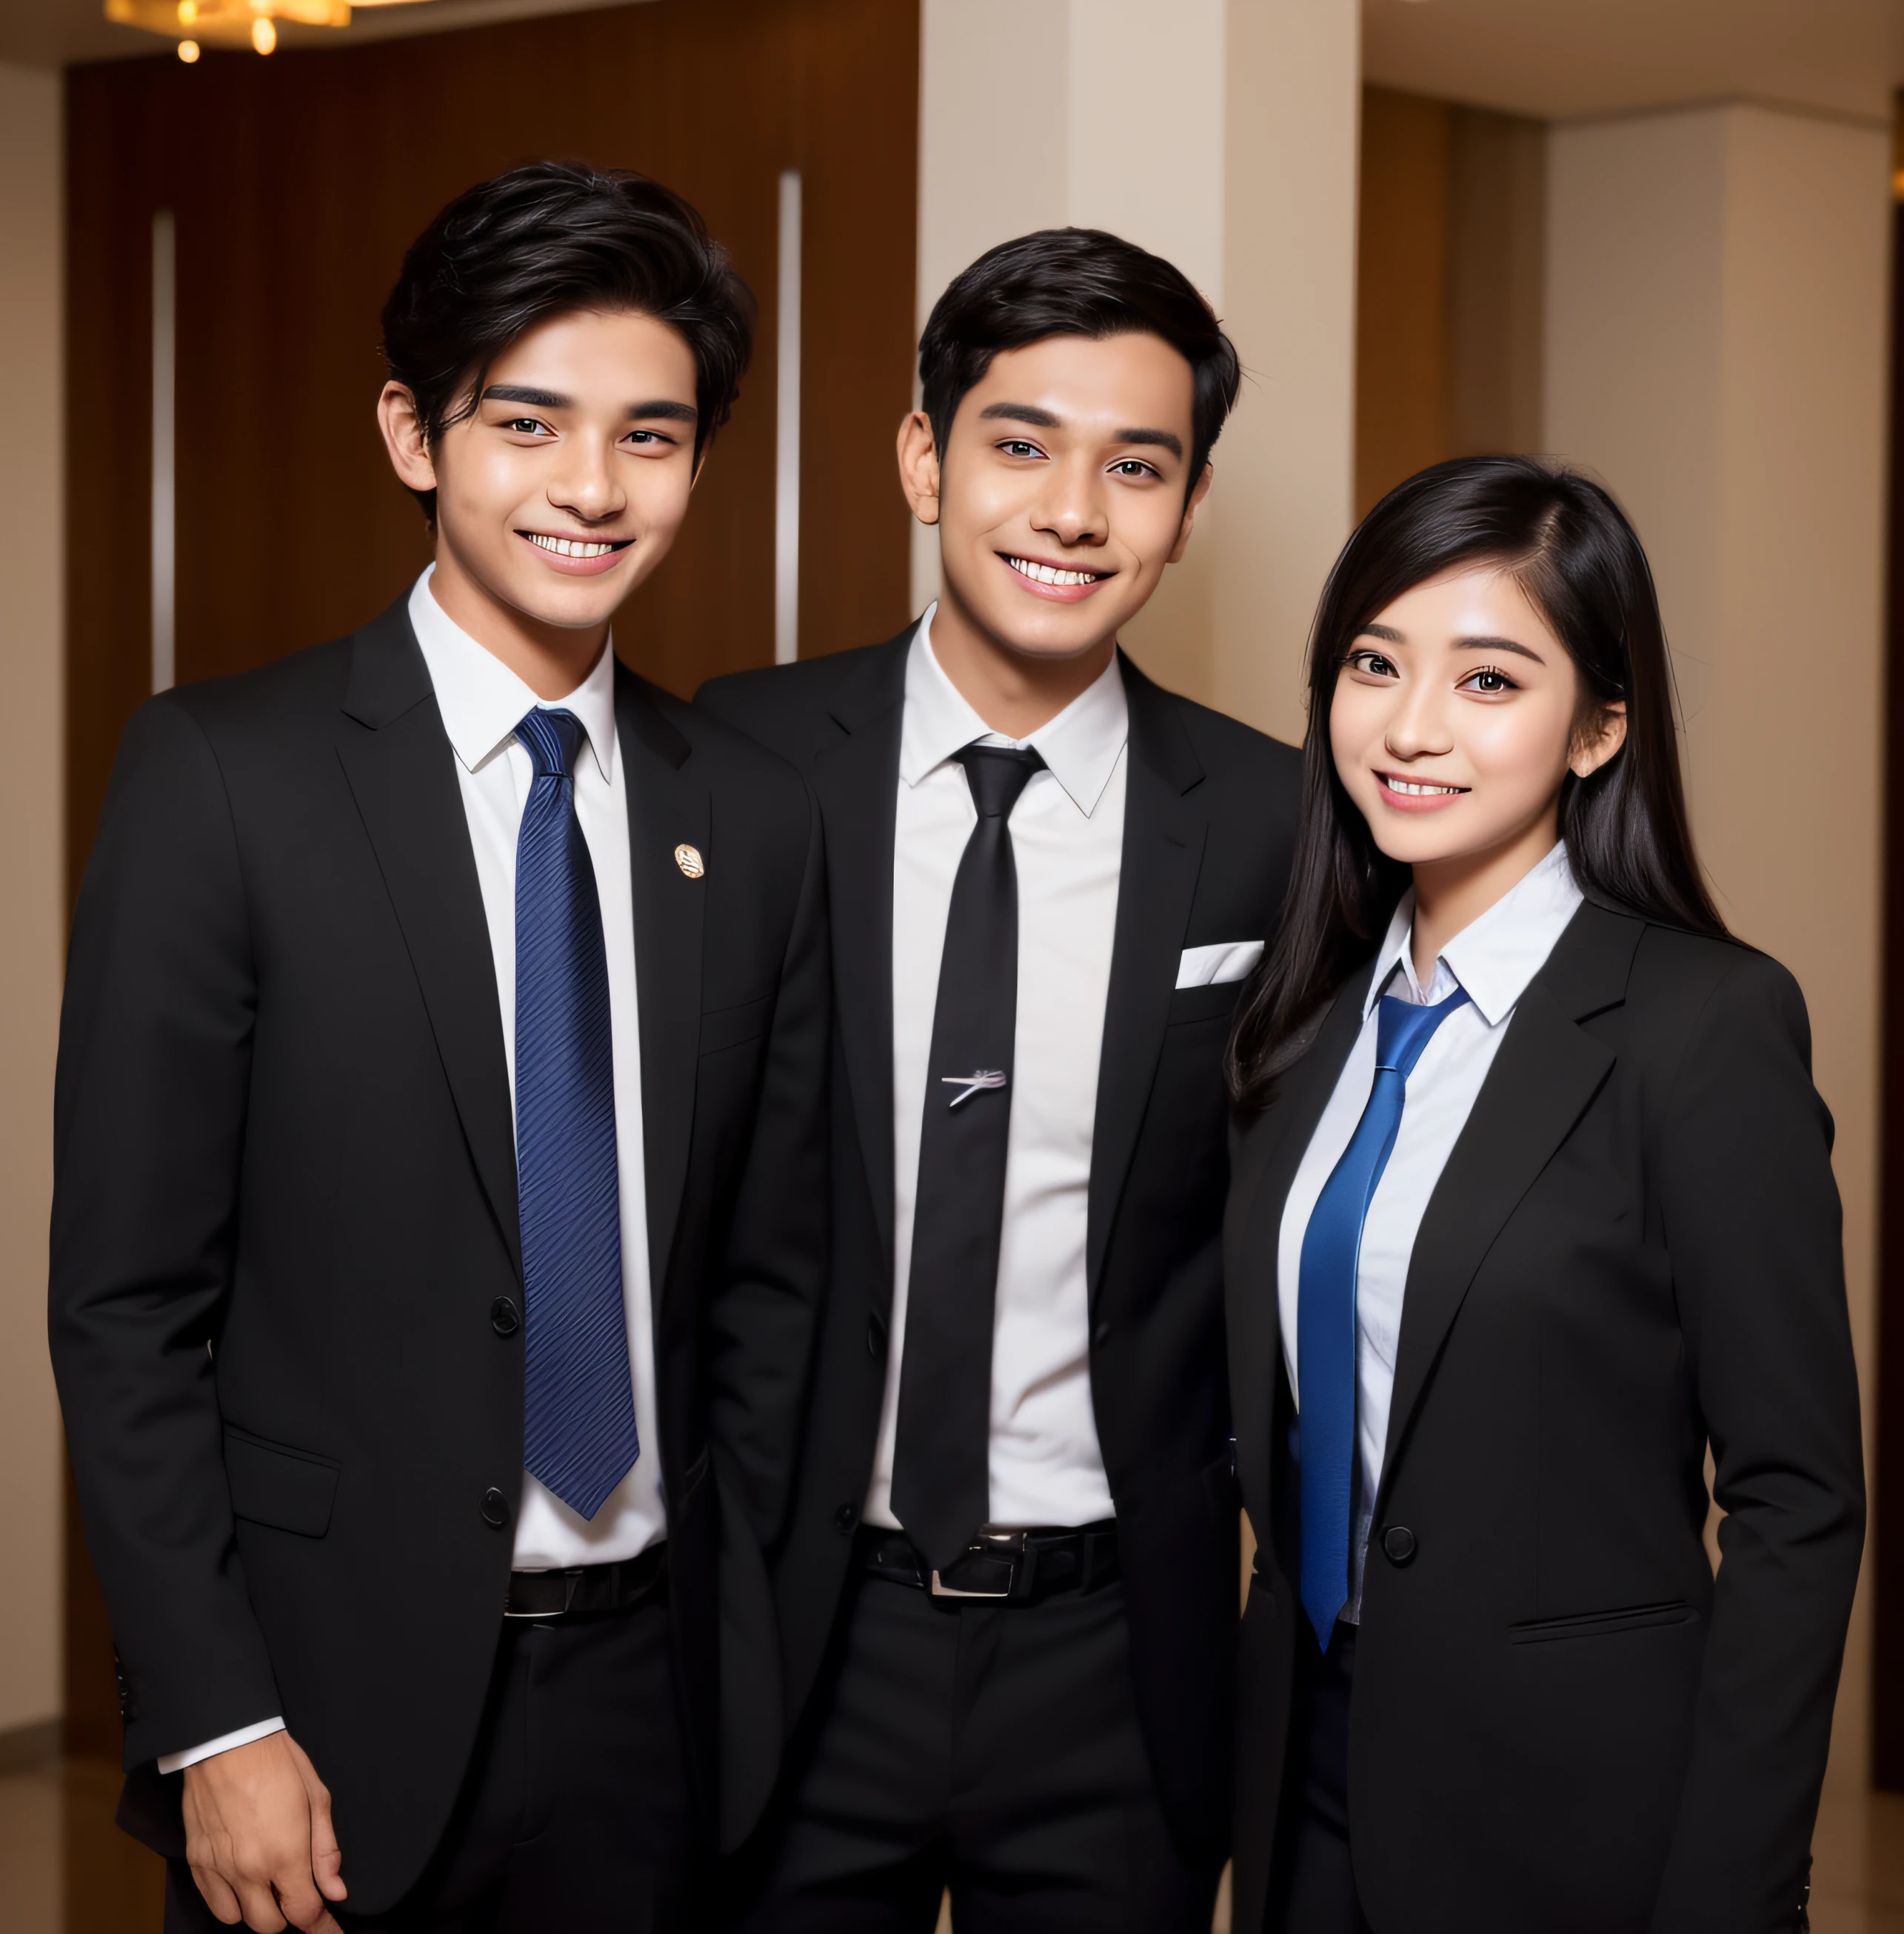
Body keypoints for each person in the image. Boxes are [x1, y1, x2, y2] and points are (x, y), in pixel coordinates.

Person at [49, 162, 828, 1933]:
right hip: (318, 1718)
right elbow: (124, 1306)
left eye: (651, 434)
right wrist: (215, 1717)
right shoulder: (224, 779)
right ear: (414, 432)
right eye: (529, 422)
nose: (589, 486)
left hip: (661, 1708)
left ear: (702, 459)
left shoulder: (755, 818)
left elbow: (769, 1286)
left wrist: (754, 1666)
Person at [696, 227, 1300, 1933]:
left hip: (1117, 1659)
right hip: (803, 1632)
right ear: (922, 461)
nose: (1070, 510)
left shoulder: (1272, 828)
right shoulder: (728, 771)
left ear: (1185, 513)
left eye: (1137, 466)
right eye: (1019, 445)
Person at [1221, 456, 1865, 1934]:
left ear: (1601, 728)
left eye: (1490, 680)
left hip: (1577, 1815)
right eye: (1374, 663)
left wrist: (1734, 1888)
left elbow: (1797, 1501)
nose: (1411, 726)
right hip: (1305, 1772)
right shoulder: (1308, 1023)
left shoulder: (1702, 1027)